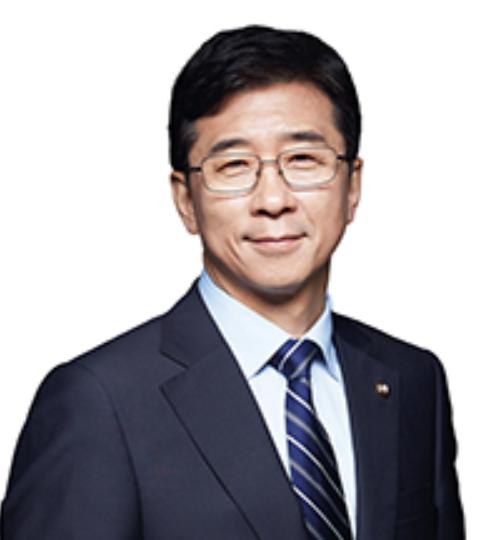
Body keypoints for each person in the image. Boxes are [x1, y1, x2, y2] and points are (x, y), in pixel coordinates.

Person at [1, 25, 464, 540]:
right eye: (235, 165)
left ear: (352, 186)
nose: (273, 200)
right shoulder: (98, 401)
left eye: (303, 160)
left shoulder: (412, 379)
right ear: (186, 200)